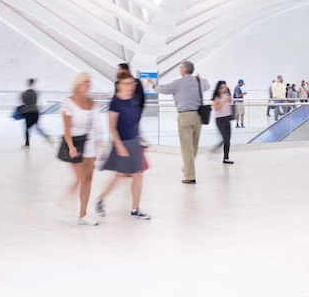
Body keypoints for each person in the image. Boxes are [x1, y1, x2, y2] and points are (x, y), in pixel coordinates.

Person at [97, 71, 150, 220]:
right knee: (120, 176)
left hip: (133, 142)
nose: (131, 86)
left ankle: (135, 208)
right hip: (122, 143)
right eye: (127, 83)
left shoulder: (134, 99)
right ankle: (101, 199)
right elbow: (112, 127)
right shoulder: (115, 102)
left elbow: (133, 122)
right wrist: (119, 145)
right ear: (119, 85)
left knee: (137, 175)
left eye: (132, 83)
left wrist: (140, 137)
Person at [149, 61, 209, 184]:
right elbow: (207, 85)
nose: (179, 70)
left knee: (186, 147)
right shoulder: (199, 81)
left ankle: (190, 175)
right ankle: (188, 166)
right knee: (194, 145)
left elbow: (163, 89)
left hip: (185, 115)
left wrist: (153, 85)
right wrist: (200, 78)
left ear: (183, 70)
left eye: (180, 68)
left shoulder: (178, 82)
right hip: (198, 116)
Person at [59, 73, 98, 226]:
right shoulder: (68, 102)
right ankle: (65, 201)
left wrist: (97, 148)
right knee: (81, 178)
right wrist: (70, 146)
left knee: (88, 180)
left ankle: (83, 214)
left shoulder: (92, 102)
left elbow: (94, 126)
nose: (87, 84)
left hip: (89, 143)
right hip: (75, 143)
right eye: (84, 82)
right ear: (78, 84)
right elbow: (66, 129)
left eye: (89, 82)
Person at [20, 78, 49, 148]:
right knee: (37, 127)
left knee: (27, 129)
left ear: (28, 83)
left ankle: (27, 144)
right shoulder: (36, 92)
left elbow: (24, 101)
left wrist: (22, 96)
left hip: (28, 111)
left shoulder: (26, 93)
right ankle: (46, 136)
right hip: (35, 111)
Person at [212, 80, 235, 164]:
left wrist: (228, 98)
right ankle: (216, 150)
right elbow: (216, 108)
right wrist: (223, 101)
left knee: (228, 139)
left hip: (227, 118)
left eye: (225, 87)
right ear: (218, 89)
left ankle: (226, 158)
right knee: (224, 138)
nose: (223, 89)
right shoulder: (217, 97)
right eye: (222, 87)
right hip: (220, 119)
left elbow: (230, 102)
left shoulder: (227, 95)